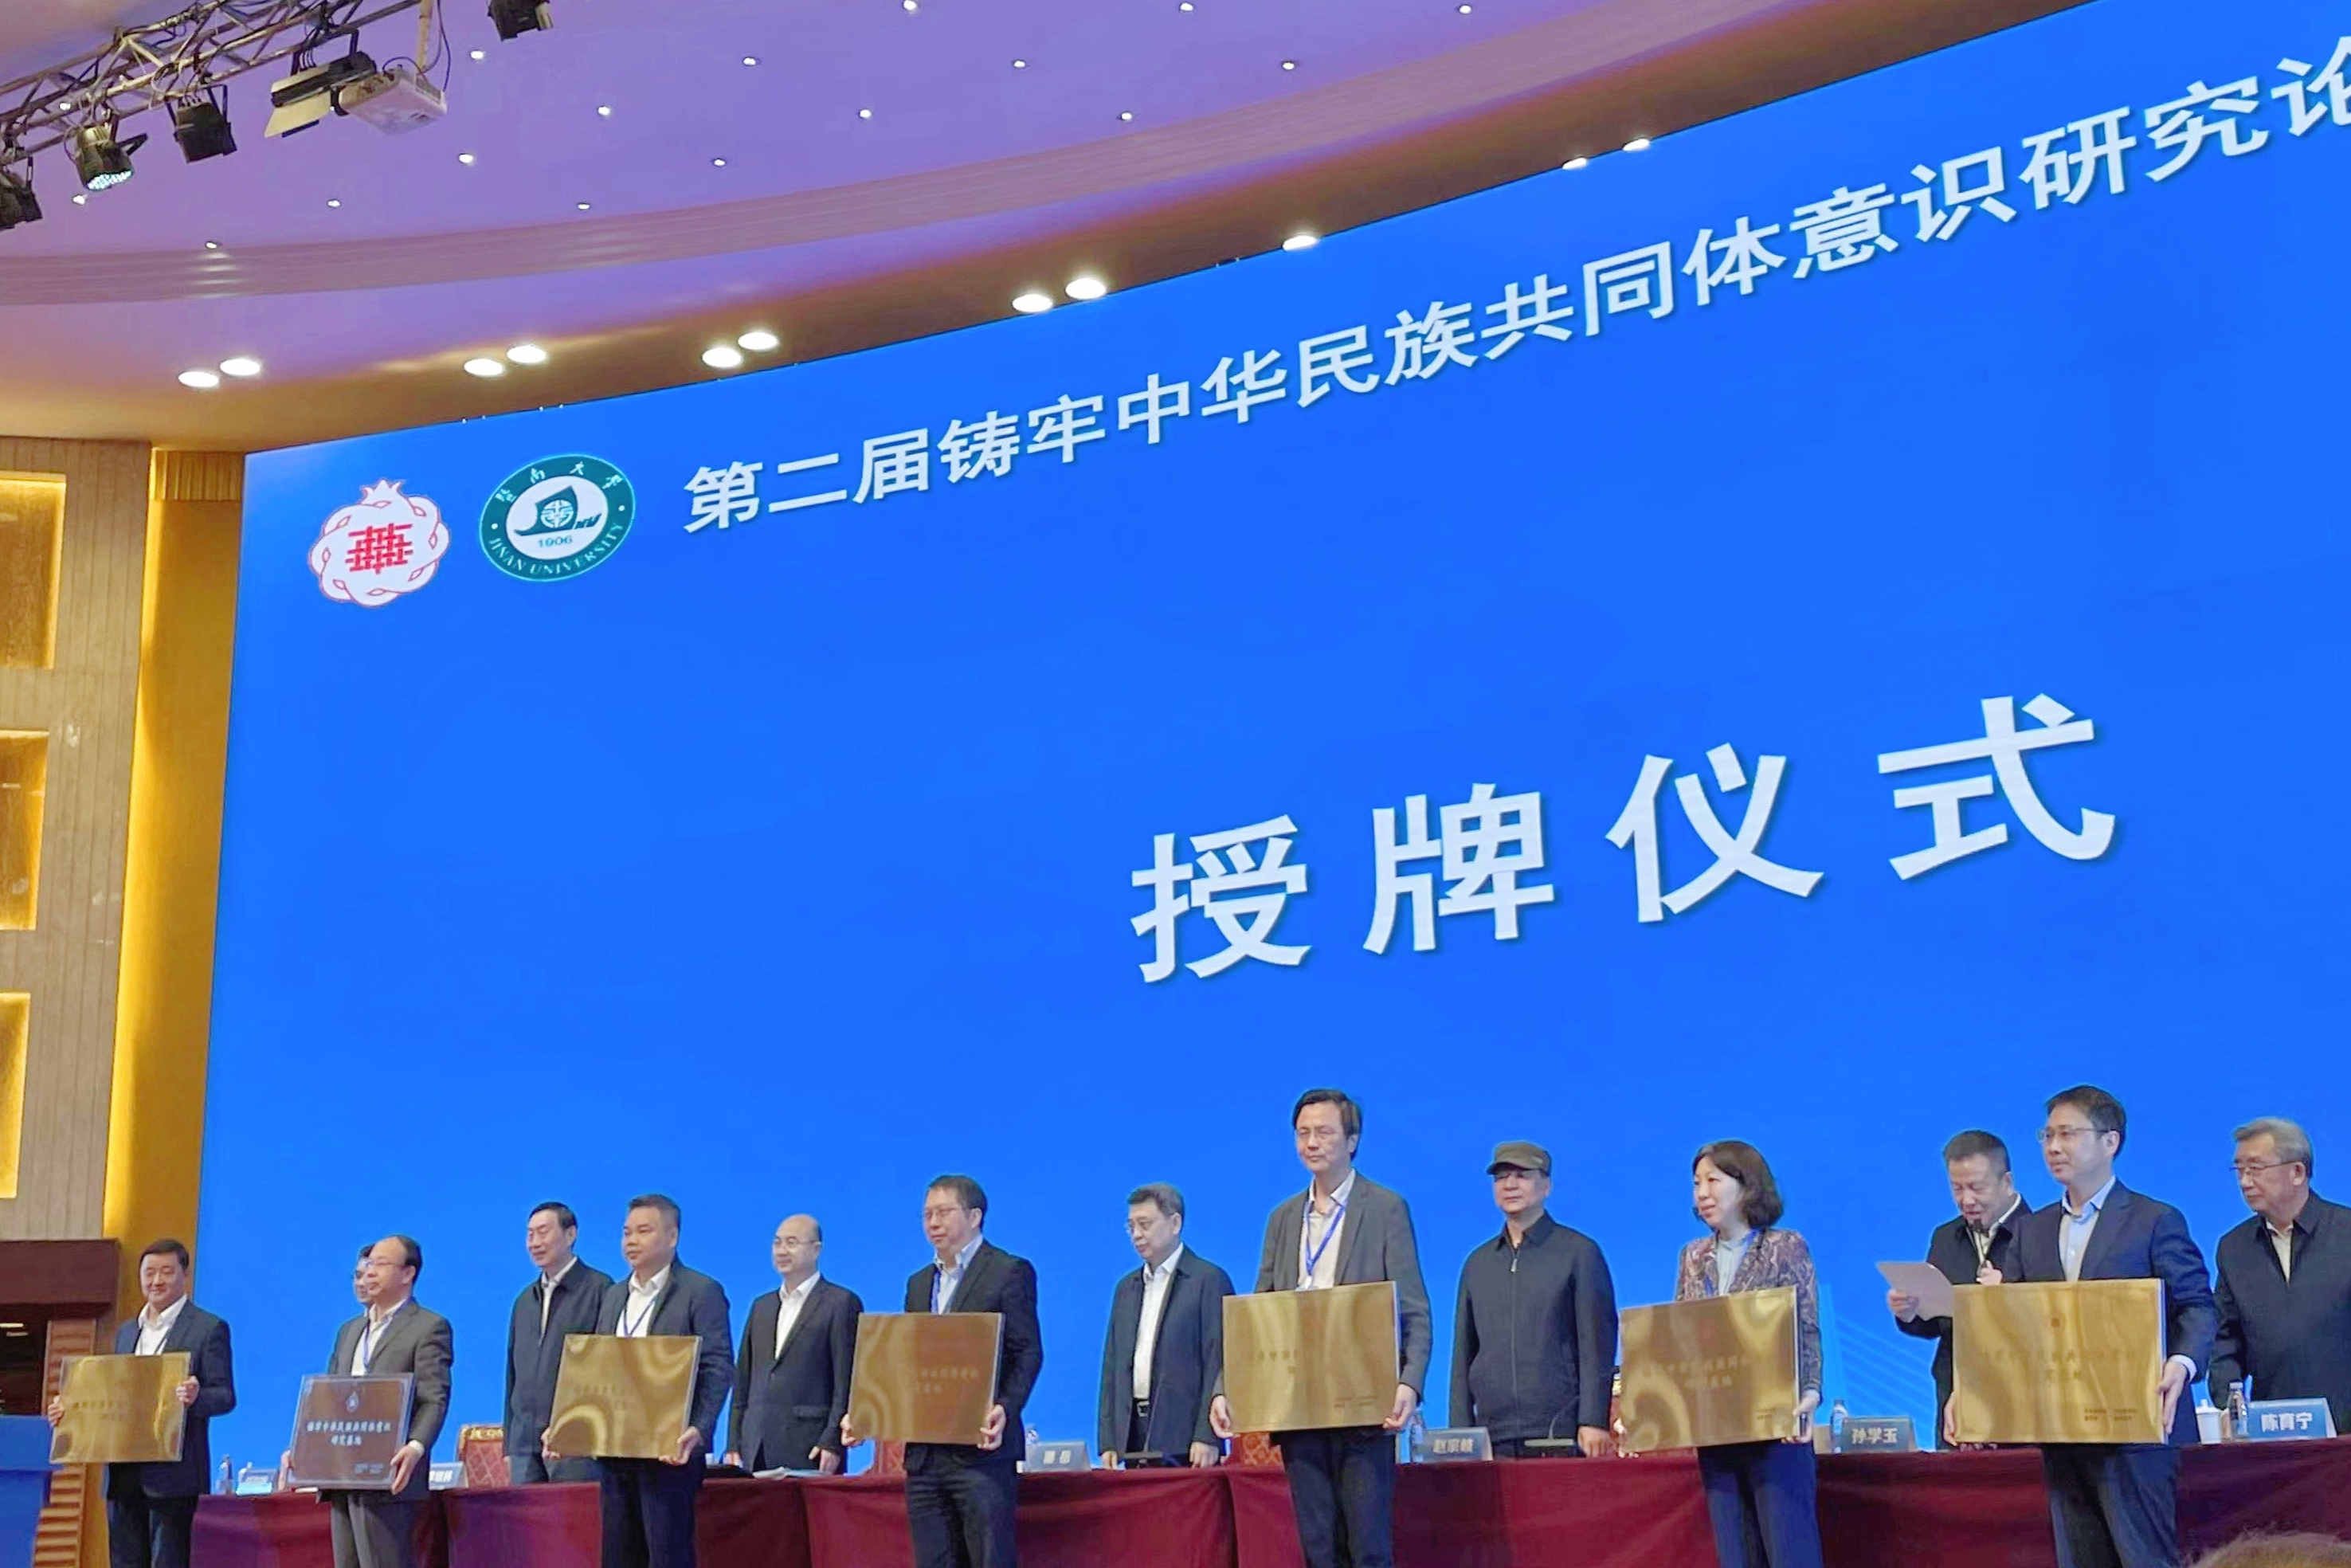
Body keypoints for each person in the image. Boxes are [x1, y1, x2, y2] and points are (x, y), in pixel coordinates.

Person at [1209, 1088, 1432, 1568]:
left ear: (1352, 1141)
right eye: (1303, 1133)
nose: (1312, 1143)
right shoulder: (1283, 1219)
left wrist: (1409, 1383)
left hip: (1365, 1404)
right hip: (1300, 1407)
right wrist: (1227, 1388)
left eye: (1324, 1132)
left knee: (1368, 1549)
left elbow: (1413, 1308)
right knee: (1318, 1550)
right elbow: (1260, 1317)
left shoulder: (1385, 1208)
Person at [2011, 1085, 2215, 1568]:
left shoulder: (2154, 1219)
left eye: (2067, 1134)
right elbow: (2014, 1322)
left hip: (2137, 1428)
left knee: (2144, 1559)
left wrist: (2182, 1364)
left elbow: (2197, 1306)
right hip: (2062, 1429)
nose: (2053, 1147)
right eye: (2047, 1136)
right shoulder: (2032, 1230)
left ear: (2110, 1142)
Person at [844, 1174, 1042, 1568]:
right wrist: (866, 1415)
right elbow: (909, 1362)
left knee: (989, 1559)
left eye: (943, 1212)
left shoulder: (1008, 1271)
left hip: (981, 1453)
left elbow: (1028, 1352)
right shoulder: (919, 1283)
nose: (933, 1222)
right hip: (926, 1457)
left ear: (974, 1216)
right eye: (927, 1214)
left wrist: (1006, 1407)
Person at [1672, 1140, 1824, 1568]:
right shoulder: (1692, 1257)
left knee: (1790, 1554)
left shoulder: (1784, 1246)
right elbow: (1679, 1338)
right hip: (1716, 1430)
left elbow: (1806, 1327)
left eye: (1713, 1181)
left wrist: (1811, 1393)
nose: (1702, 1193)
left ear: (1747, 1186)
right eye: (1696, 1183)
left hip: (1776, 1428)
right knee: (1736, 1556)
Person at [44, 1239, 234, 1568]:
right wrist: (71, 1410)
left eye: (166, 1272)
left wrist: (195, 1397)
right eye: (149, 1272)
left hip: (174, 1477)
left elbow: (225, 1396)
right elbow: (113, 1393)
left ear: (185, 1275)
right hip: (123, 1474)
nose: (156, 1280)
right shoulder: (127, 1331)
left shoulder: (208, 1328)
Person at [571, 1194, 733, 1568]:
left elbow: (718, 1366)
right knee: (618, 1556)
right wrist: (573, 1420)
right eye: (626, 1232)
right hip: (616, 1453)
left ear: (672, 1237)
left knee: (666, 1556)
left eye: (643, 1231)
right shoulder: (614, 1295)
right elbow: (599, 1367)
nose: (631, 1240)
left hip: (669, 1452)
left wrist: (699, 1428)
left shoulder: (700, 1291)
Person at [1449, 1140, 1616, 1458]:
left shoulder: (1579, 1253)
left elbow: (1597, 1344)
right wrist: (1460, 1432)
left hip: (1560, 1432)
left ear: (1547, 1186)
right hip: (1491, 1436)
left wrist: (1593, 1419)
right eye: (1501, 1177)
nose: (1510, 1185)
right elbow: (1462, 1355)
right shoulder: (1477, 1263)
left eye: (1522, 1175)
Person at [1887, 1130, 2032, 1445]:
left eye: (1977, 1188)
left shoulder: (2040, 1233)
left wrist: (2011, 1294)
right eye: (1957, 1188)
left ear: (2006, 1182)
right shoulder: (1945, 1237)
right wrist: (1909, 1312)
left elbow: (2056, 1318)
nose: (1967, 1200)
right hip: (1954, 1397)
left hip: (2023, 1401)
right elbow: (1935, 1324)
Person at [2211, 1118, 2351, 1434]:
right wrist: (2229, 1407)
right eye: (2239, 1170)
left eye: (2255, 1168)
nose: (2244, 1182)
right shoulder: (2234, 1248)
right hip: (2272, 1432)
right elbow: (2225, 1340)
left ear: (2297, 1172)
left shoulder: (2346, 1233)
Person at [323, 1237, 452, 1568]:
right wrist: (307, 1448)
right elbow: (328, 1397)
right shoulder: (349, 1331)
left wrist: (416, 1446)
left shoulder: (428, 1327)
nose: (370, 1272)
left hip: (390, 1474)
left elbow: (434, 1398)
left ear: (408, 1273)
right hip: (343, 1474)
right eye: (368, 1265)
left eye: (381, 1264)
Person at [1096, 1183, 1235, 1467]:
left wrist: (1207, 1436)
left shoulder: (1208, 1280)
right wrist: (1109, 1440)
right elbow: (1112, 1367)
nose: (1136, 1234)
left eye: (1145, 1224)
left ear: (1175, 1223)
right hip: (1132, 1435)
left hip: (1186, 1439)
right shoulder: (1126, 1288)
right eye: (1131, 1226)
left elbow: (1219, 1361)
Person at [727, 1214, 862, 1474]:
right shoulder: (761, 1306)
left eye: (791, 1243)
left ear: (816, 1249)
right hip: (756, 1446)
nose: (781, 1251)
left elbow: (847, 1380)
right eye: (777, 1243)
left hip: (810, 1446)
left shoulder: (840, 1302)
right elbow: (743, 1380)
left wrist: (832, 1441)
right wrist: (733, 1441)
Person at [505, 1201, 612, 1484]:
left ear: (570, 1234)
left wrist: (571, 1426)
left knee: (575, 1511)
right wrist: (511, 1443)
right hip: (524, 1446)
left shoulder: (600, 1289)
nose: (534, 1243)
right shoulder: (524, 1300)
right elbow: (513, 1376)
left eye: (543, 1232)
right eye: (530, 1235)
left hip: (575, 1443)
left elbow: (604, 1371)